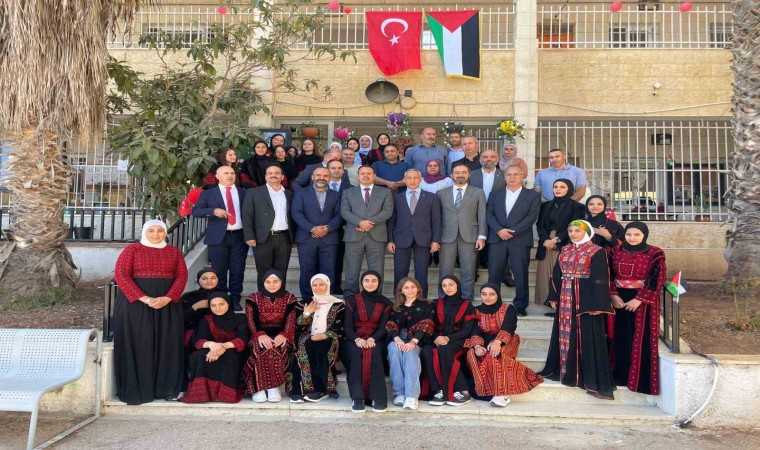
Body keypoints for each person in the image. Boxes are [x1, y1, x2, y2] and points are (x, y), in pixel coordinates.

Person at [538, 220, 616, 400]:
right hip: (565, 298)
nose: (573, 234)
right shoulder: (565, 249)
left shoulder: (597, 251)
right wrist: (553, 296)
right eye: (570, 230)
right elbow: (556, 274)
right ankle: (565, 371)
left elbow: (601, 279)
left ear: (586, 232)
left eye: (577, 231)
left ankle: (585, 377)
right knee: (565, 334)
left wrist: (597, 305)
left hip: (586, 302)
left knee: (585, 336)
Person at [113, 220, 188, 405]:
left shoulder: (174, 252)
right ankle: (139, 390)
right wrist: (145, 298)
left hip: (167, 305)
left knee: (167, 344)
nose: (155, 234)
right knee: (139, 343)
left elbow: (182, 276)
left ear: (166, 233)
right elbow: (121, 275)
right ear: (144, 232)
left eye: (160, 231)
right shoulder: (132, 250)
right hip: (135, 305)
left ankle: (166, 389)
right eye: (151, 231)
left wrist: (168, 298)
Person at [609, 222, 666, 395]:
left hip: (641, 302)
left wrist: (639, 299)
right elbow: (608, 274)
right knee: (619, 337)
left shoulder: (655, 253)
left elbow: (657, 277)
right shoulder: (614, 251)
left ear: (644, 235)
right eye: (628, 234)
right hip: (618, 299)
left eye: (637, 235)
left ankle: (639, 381)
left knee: (641, 338)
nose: (632, 238)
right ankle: (619, 376)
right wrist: (613, 295)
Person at [467, 284, 543, 406]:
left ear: (498, 295)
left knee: (494, 355)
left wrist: (498, 342)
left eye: (492, 294)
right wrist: (477, 346)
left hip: (506, 340)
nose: (487, 297)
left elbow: (508, 326)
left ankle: (502, 394)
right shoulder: (476, 310)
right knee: (472, 354)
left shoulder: (508, 308)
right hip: (483, 341)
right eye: (484, 294)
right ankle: (484, 391)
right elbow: (475, 330)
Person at [486, 166, 541, 316]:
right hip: (497, 238)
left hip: (520, 240)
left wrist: (512, 232)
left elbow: (532, 217)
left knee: (520, 273)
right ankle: (493, 305)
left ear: (522, 176)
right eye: (508, 174)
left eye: (515, 174)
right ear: (504, 177)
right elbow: (489, 214)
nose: (512, 177)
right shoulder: (495, 194)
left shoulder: (532, 195)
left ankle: (520, 306)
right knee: (494, 273)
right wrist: (499, 230)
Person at [193, 165, 247, 311]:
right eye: (226, 173)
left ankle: (235, 299)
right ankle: (221, 298)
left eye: (232, 173)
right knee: (219, 270)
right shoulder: (208, 194)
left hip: (239, 236)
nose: (230, 176)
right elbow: (196, 211)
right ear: (217, 176)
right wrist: (213, 211)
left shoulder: (244, 193)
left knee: (237, 270)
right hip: (218, 238)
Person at [180, 293, 249, 403]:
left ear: (228, 304)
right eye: (213, 305)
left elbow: (242, 339)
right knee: (201, 355)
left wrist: (221, 348)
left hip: (232, 349)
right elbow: (199, 340)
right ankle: (204, 393)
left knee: (230, 355)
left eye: (221, 304)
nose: (218, 308)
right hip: (211, 349)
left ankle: (226, 394)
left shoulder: (240, 318)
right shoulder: (207, 319)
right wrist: (212, 345)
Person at [243, 270, 298, 402]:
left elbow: (291, 320)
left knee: (277, 347)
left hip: (282, 335)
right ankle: (259, 389)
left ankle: (273, 387)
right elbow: (251, 321)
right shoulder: (253, 298)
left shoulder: (290, 298)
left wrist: (284, 334)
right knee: (261, 347)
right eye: (268, 282)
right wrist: (260, 334)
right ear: (263, 283)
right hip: (257, 335)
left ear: (281, 282)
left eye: (275, 281)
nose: (271, 285)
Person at [341, 271, 393, 413]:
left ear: (379, 283)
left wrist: (372, 338)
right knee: (356, 353)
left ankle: (377, 398)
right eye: (366, 280)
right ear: (362, 282)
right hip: (353, 338)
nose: (370, 284)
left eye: (374, 281)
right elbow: (347, 327)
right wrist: (357, 339)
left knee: (375, 353)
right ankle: (357, 398)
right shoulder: (352, 300)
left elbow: (384, 327)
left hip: (376, 338)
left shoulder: (386, 303)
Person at [289, 274, 346, 403]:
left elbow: (341, 327)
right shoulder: (303, 304)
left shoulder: (338, 304)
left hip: (329, 336)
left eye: (321, 284)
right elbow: (297, 327)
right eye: (315, 285)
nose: (318, 288)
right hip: (307, 336)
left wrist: (326, 335)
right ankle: (299, 389)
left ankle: (321, 390)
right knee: (305, 344)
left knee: (321, 346)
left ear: (328, 285)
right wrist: (306, 313)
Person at [422, 275, 477, 406]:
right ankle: (438, 390)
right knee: (427, 350)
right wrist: (437, 338)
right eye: (444, 285)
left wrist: (448, 338)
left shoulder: (467, 305)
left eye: (451, 284)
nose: (448, 288)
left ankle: (463, 391)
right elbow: (430, 324)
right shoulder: (435, 304)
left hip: (458, 339)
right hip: (438, 338)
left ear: (457, 285)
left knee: (445, 350)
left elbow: (467, 330)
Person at [340, 166, 394, 297]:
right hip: (354, 236)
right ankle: (351, 298)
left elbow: (387, 212)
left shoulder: (385, 192)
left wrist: (368, 223)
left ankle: (375, 299)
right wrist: (360, 222)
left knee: (377, 270)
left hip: (376, 236)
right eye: (362, 173)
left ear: (374, 175)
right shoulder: (348, 192)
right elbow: (344, 211)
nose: (365, 176)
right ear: (358, 176)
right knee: (351, 270)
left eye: (369, 173)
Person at [387, 169, 441, 297]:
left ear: (420, 180)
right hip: (401, 238)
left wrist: (435, 240)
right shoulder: (396, 197)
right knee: (400, 272)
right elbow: (391, 221)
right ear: (404, 180)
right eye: (409, 178)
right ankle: (399, 300)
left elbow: (436, 220)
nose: (412, 180)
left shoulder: (432, 197)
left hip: (423, 238)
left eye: (415, 178)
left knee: (421, 272)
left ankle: (421, 300)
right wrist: (390, 240)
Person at [291, 167, 343, 300]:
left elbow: (340, 215)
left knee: (328, 270)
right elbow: (296, 213)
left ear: (329, 178)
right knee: (307, 270)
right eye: (318, 175)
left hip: (329, 238)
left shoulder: (336, 195)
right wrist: (312, 228)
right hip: (306, 238)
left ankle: (326, 300)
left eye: (325, 176)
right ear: (312, 177)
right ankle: (308, 299)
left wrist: (327, 228)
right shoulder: (301, 193)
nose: (322, 178)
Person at [437, 164, 487, 301]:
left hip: (470, 236)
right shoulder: (441, 193)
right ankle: (443, 300)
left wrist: (482, 237)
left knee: (468, 271)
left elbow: (482, 215)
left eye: (464, 172)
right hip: (446, 236)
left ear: (469, 175)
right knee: (445, 270)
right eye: (457, 172)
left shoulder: (478, 192)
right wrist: (436, 238)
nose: (460, 175)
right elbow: (437, 217)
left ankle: (466, 301)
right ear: (451, 175)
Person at [534, 179, 586, 310]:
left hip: (564, 243)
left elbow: (574, 226)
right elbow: (540, 225)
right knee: (545, 274)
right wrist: (546, 240)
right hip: (546, 244)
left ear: (569, 189)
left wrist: (556, 240)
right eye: (555, 187)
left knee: (560, 274)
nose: (558, 189)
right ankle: (548, 302)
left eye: (562, 187)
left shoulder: (577, 207)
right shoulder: (546, 205)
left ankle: (560, 305)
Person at [242, 165, 294, 292]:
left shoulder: (289, 194)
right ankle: (262, 299)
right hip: (262, 238)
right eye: (270, 173)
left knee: (282, 271)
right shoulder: (254, 193)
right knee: (263, 272)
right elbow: (247, 215)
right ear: (265, 176)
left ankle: (280, 299)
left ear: (282, 176)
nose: (273, 175)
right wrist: (249, 236)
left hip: (284, 238)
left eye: (277, 173)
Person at [386, 277, 434, 410]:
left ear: (418, 289)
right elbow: (391, 324)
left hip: (417, 339)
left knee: (409, 353)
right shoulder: (395, 307)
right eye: (406, 287)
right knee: (394, 350)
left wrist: (413, 342)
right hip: (398, 338)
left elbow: (427, 324)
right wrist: (397, 339)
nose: (410, 290)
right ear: (401, 290)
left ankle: (412, 395)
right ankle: (399, 393)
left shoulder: (427, 305)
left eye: (413, 287)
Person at [179, 267, 218, 389]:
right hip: (193, 331)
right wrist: (195, 307)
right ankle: (184, 383)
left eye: (213, 278)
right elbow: (180, 319)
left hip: (216, 331)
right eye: (204, 278)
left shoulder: (222, 297)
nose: (209, 281)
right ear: (198, 280)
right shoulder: (189, 297)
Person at [469, 148, 506, 273]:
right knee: (475, 242)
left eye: (492, 157)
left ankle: (499, 272)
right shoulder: (471, 174)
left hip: (498, 215)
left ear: (497, 159)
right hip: (474, 213)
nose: (489, 159)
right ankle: (474, 272)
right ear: (480, 160)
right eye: (485, 157)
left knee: (496, 244)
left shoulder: (505, 175)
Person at [327, 159, 353, 295]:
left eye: (339, 168)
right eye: (333, 168)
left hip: (342, 229)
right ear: (328, 169)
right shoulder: (319, 185)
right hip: (323, 227)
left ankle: (336, 285)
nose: (336, 170)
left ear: (343, 171)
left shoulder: (350, 188)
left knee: (338, 259)